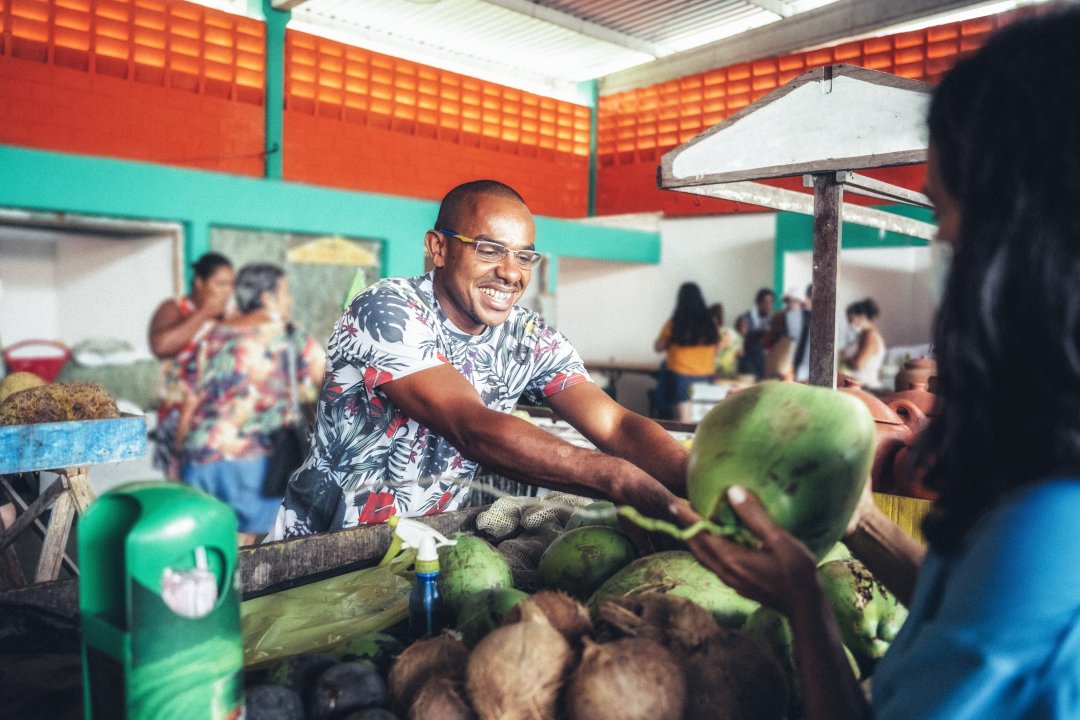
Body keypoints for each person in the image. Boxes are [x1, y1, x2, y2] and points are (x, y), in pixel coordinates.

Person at [673, 9, 1080, 718]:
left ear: (1026, 233)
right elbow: (968, 605)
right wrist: (860, 521)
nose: (944, 240)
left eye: (948, 214)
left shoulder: (1049, 524)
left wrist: (804, 601)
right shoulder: (1042, 472)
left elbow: (1013, 586)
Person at [268, 180, 686, 539]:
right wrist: (617, 478)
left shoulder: (527, 336)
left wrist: (696, 477)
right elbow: (469, 425)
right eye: (490, 250)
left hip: (432, 547)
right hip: (325, 549)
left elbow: (614, 423)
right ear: (439, 248)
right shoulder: (387, 309)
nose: (511, 272)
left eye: (524, 256)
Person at [181, 263, 326, 545]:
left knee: (204, 540)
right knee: (241, 545)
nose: (289, 301)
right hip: (250, 460)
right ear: (266, 298)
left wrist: (179, 455)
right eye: (285, 293)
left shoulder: (209, 336)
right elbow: (331, 383)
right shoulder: (289, 335)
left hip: (200, 455)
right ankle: (231, 589)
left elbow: (191, 399)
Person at [147, 252, 234, 480]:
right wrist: (203, 314)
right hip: (177, 412)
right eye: (220, 283)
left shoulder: (228, 318)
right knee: (180, 482)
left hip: (215, 415)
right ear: (199, 282)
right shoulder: (175, 308)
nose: (227, 291)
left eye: (230, 285)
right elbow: (161, 346)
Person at [652, 283, 719, 421]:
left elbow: (658, 347)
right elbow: (717, 348)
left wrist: (670, 341)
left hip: (680, 376)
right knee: (702, 420)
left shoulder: (674, 324)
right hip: (705, 376)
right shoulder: (710, 324)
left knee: (682, 420)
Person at [763, 286, 811, 381]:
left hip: (800, 363)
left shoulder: (808, 316)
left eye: (794, 301)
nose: (791, 304)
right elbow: (769, 340)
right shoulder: (781, 317)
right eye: (789, 301)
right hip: (786, 363)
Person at [841, 298, 886, 388]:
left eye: (851, 320)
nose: (850, 324)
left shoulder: (870, 336)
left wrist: (842, 360)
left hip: (865, 385)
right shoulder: (861, 335)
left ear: (862, 317)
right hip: (855, 382)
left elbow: (858, 364)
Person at [735, 288, 774, 379]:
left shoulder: (773, 320)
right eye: (765, 302)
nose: (768, 305)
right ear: (758, 303)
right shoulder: (745, 318)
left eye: (770, 302)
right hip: (747, 360)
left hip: (765, 361)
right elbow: (738, 339)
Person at [709, 303, 742, 379]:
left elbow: (715, 351)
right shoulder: (733, 332)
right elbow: (740, 353)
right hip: (731, 372)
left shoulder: (712, 334)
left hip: (715, 373)